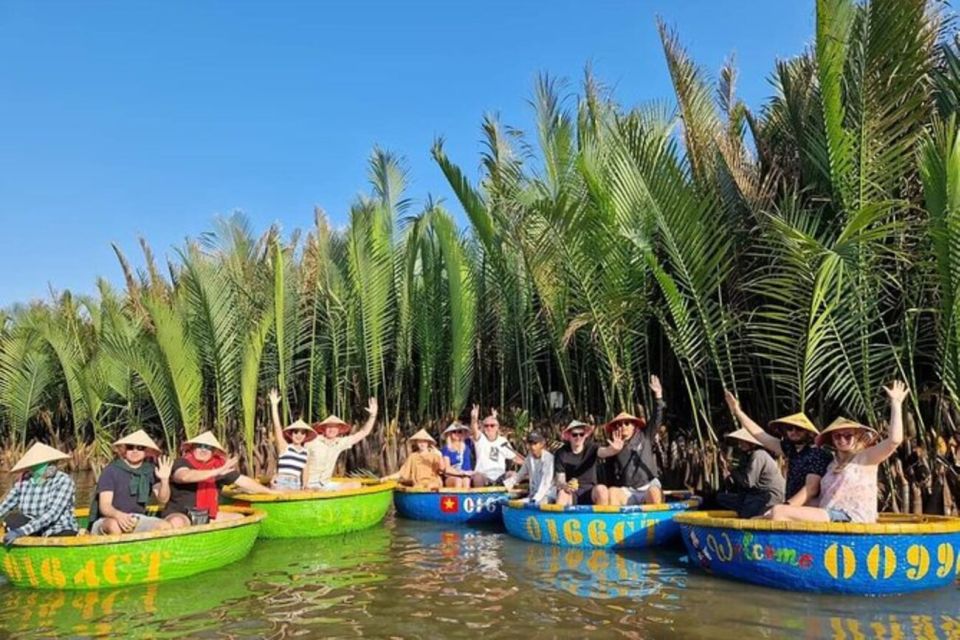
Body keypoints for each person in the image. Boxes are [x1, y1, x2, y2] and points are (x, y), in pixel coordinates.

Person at [765, 381, 908, 524]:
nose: (842, 439)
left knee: (779, 511)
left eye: (847, 435)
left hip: (852, 518)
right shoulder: (830, 464)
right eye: (837, 436)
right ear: (832, 440)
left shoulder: (866, 458)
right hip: (830, 516)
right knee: (771, 513)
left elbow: (894, 440)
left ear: (856, 436)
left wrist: (896, 404)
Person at [724, 390, 832, 507]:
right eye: (790, 428)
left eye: (799, 429)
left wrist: (786, 508)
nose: (793, 432)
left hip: (810, 509)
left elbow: (811, 489)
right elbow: (761, 435)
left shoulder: (818, 453)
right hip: (793, 507)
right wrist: (737, 412)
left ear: (809, 432)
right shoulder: (792, 450)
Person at [163, 431, 274, 527]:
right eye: (200, 446)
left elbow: (244, 481)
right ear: (192, 448)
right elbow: (184, 476)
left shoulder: (218, 466)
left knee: (239, 518)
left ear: (213, 452)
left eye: (208, 447)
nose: (203, 450)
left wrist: (271, 492)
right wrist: (217, 472)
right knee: (177, 522)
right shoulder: (181, 462)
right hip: (181, 512)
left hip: (206, 515)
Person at [89, 430, 173, 535]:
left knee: (165, 526)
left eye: (140, 448)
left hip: (136, 518)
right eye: (130, 447)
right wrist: (119, 516)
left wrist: (164, 480)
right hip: (108, 518)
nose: (135, 451)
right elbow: (104, 506)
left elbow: (163, 500)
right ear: (125, 450)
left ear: (146, 451)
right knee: (114, 526)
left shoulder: (150, 471)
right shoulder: (111, 470)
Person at [601, 375, 667, 506]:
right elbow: (609, 474)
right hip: (628, 490)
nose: (623, 426)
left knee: (654, 494)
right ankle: (620, 524)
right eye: (619, 424)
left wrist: (658, 395)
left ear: (634, 426)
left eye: (626, 423)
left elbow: (657, 418)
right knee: (612, 492)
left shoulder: (645, 435)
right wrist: (612, 451)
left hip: (648, 485)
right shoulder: (613, 445)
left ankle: (653, 525)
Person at [0, 443, 78, 544]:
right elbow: (5, 505)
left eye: (54, 463)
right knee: (12, 519)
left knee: (61, 535)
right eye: (48, 464)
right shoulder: (23, 482)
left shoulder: (63, 481)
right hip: (33, 528)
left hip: (58, 528)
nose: (52, 466)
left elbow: (52, 514)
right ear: (33, 466)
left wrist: (22, 531)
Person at [305, 398, 380, 491]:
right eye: (329, 427)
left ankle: (330, 495)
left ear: (339, 430)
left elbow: (364, 432)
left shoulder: (339, 443)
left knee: (356, 484)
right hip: (309, 485)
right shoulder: (313, 441)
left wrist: (372, 416)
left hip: (326, 484)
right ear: (324, 429)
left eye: (334, 427)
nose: (332, 430)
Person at [715, 428, 785, 518]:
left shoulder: (759, 455)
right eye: (739, 442)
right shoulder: (746, 457)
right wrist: (726, 471)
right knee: (720, 498)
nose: (740, 445)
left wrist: (731, 469)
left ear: (751, 443)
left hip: (769, 497)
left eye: (743, 442)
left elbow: (748, 483)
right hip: (754, 495)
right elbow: (739, 483)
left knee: (745, 513)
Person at [554, 420, 611, 506]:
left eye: (581, 434)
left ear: (585, 436)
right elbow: (560, 480)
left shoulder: (592, 447)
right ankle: (559, 519)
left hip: (590, 491)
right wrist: (566, 486)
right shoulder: (561, 453)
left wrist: (615, 449)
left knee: (602, 490)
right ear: (569, 436)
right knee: (562, 494)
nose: (578, 437)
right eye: (574, 435)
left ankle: (601, 519)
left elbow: (605, 452)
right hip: (571, 492)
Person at [268, 388, 315, 490]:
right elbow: (277, 428)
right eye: (296, 432)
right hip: (281, 481)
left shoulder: (305, 452)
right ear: (291, 434)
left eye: (302, 433)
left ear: (305, 436)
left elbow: (305, 470)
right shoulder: (285, 447)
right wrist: (274, 405)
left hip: (296, 483)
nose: (299, 435)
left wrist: (305, 485)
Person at [469, 405, 522, 487]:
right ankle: (480, 498)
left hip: (500, 476)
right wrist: (474, 418)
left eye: (492, 425)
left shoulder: (503, 441)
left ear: (497, 427)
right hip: (484, 475)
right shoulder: (480, 439)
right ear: (482, 427)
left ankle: (506, 496)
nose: (489, 428)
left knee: (513, 475)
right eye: (486, 426)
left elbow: (514, 457)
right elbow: (474, 429)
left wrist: (530, 463)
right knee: (477, 477)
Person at [504, 431, 555, 504]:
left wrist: (535, 499)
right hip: (532, 495)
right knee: (514, 504)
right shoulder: (529, 458)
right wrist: (507, 484)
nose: (532, 446)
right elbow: (520, 475)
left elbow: (545, 483)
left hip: (547, 495)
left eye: (535, 443)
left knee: (539, 504)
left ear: (541, 444)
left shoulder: (549, 459)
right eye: (530, 443)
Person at [440, 421, 474, 488]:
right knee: (458, 480)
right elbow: (447, 469)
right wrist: (461, 473)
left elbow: (476, 433)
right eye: (454, 432)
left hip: (466, 476)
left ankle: (465, 498)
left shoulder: (467, 445)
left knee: (466, 480)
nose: (457, 434)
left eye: (459, 432)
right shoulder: (446, 449)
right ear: (449, 434)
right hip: (452, 476)